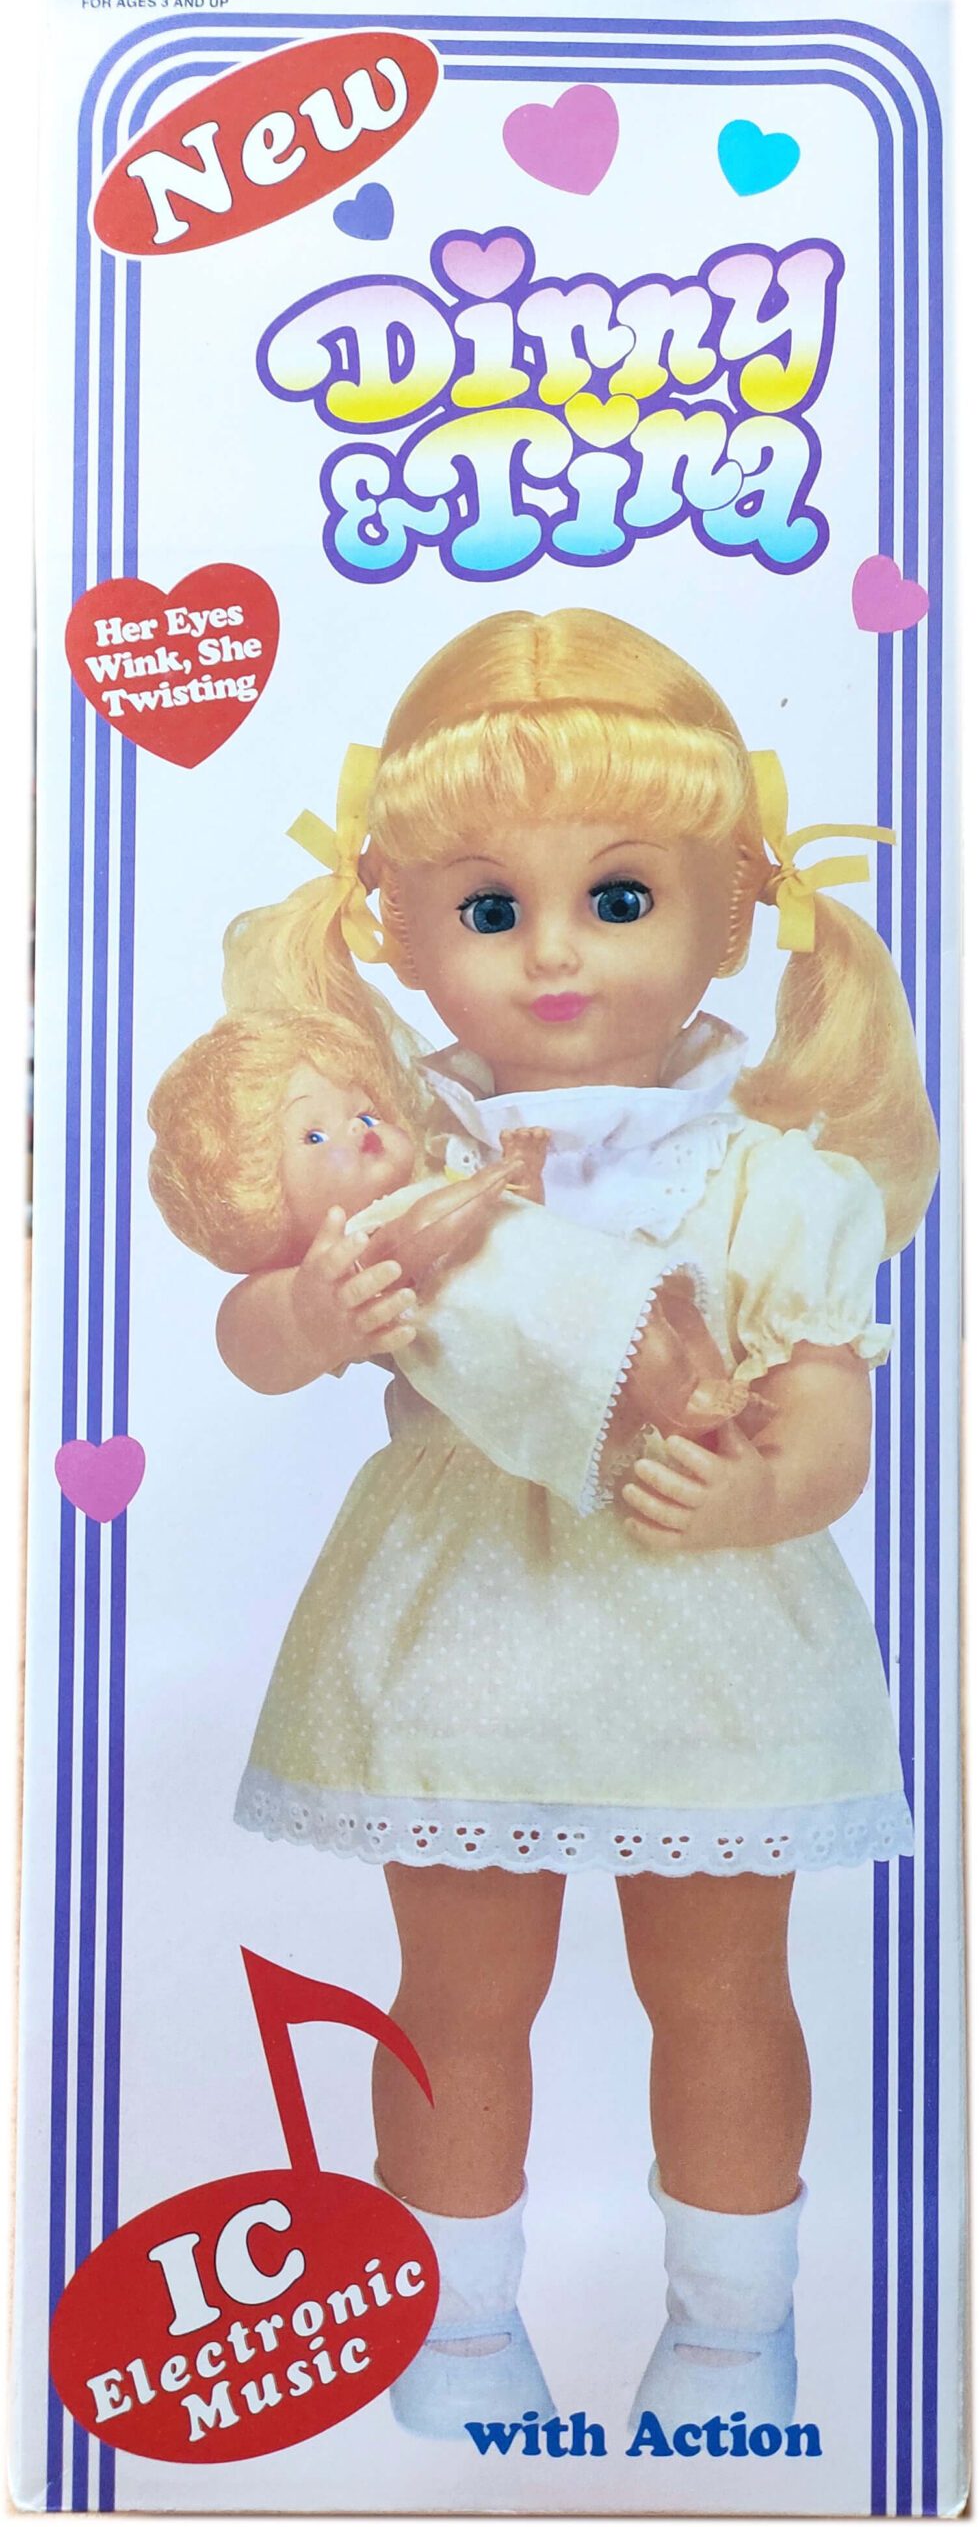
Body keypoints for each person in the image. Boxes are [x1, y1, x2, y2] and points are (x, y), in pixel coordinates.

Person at [195, 611, 938, 2438]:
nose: (548, 952)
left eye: (616, 899)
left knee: (725, 1987)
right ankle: (450, 2336)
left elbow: (830, 1425)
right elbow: (248, 1339)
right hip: (464, 1630)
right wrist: (310, 1315)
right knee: (459, 1992)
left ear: (735, 911)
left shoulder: (772, 1183)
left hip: (707, 1623)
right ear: (393, 923)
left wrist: (765, 1487)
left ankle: (733, 2330)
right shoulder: (386, 1150)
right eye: (486, 906)